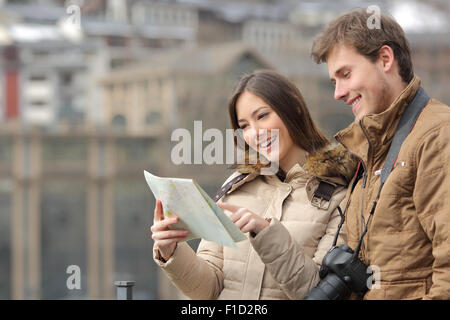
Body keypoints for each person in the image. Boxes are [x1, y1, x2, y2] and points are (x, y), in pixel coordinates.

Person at [150, 70, 358, 299]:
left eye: (262, 116)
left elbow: (318, 292)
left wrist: (266, 232)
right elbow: (209, 289)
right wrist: (171, 252)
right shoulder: (237, 185)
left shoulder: (341, 193)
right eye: (245, 125)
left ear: (295, 108)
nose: (255, 133)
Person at [311, 9, 450, 299]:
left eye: (345, 74)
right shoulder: (370, 148)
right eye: (333, 81)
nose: (337, 92)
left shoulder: (437, 136)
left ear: (385, 59)